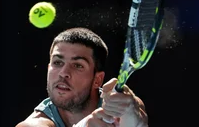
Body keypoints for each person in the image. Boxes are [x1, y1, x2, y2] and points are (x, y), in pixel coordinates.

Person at [16, 27, 148, 127]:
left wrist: (129, 109)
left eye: (78, 65)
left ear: (97, 80)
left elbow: (138, 123)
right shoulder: (34, 123)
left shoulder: (118, 107)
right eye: (57, 62)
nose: (63, 72)